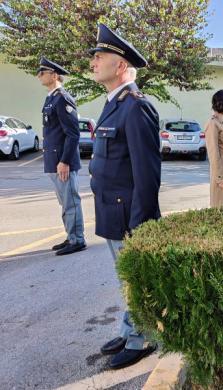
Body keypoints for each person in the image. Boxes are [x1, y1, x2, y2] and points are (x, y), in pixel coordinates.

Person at [88, 23, 161, 369]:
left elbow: (147, 176)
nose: (93, 61)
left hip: (129, 216)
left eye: (100, 56)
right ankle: (130, 327)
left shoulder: (135, 106)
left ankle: (141, 338)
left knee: (137, 281)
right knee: (127, 281)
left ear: (120, 66)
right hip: (112, 212)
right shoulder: (113, 104)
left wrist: (140, 225)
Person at [37, 57, 86, 256]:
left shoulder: (63, 98)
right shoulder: (51, 98)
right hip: (54, 161)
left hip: (62, 162)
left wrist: (64, 161)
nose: (38, 75)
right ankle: (71, 236)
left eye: (43, 72)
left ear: (54, 75)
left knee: (70, 201)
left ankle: (77, 240)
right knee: (64, 202)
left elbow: (73, 133)